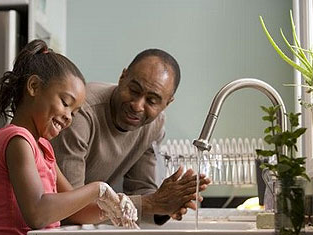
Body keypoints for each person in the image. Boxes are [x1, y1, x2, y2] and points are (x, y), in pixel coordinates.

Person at [0, 39, 138, 235]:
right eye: (65, 103)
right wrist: (97, 189)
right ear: (34, 86)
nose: (69, 117)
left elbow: (75, 211)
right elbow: (37, 213)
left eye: (74, 112)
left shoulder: (43, 147)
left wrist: (111, 208)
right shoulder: (18, 141)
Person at [51, 49, 210, 224]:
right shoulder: (81, 113)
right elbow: (70, 207)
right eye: (134, 90)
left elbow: (141, 191)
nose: (137, 105)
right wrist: (153, 203)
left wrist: (166, 206)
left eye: (152, 101)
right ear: (122, 77)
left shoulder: (154, 125)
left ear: (167, 103)